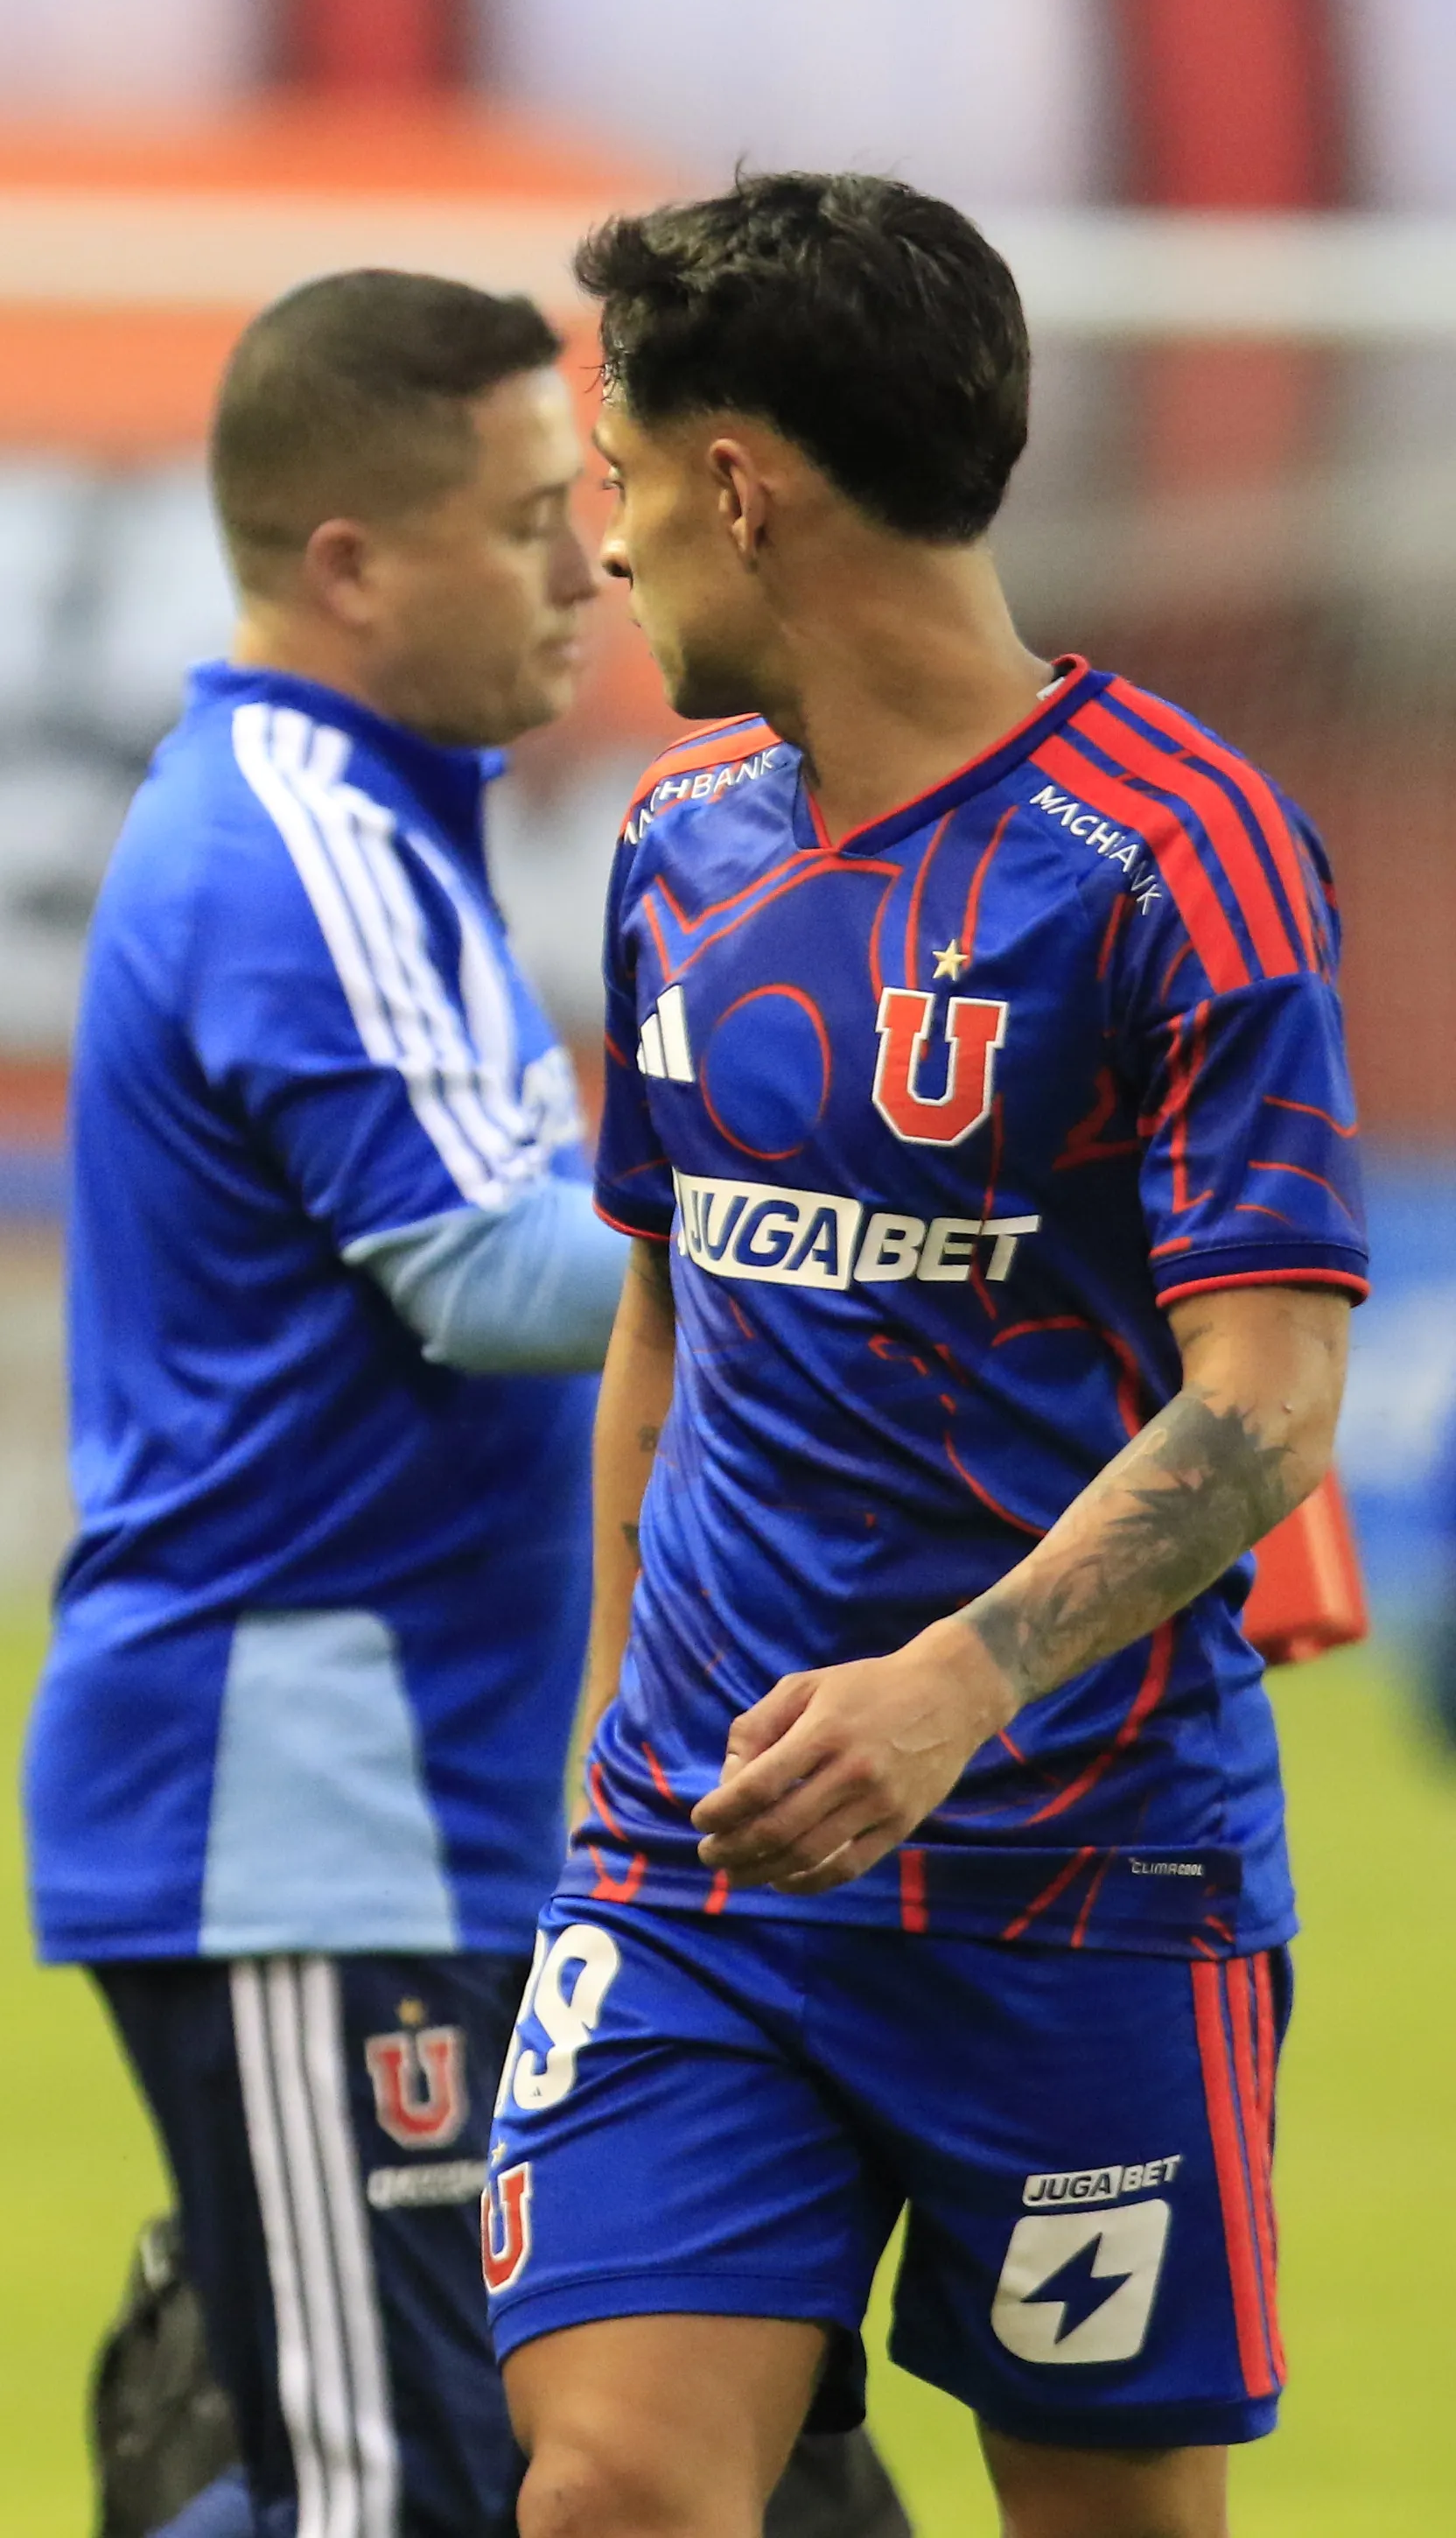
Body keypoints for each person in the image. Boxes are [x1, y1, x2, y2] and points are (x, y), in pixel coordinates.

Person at [492, 174, 1361, 2538]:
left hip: (1077, 1881)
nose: (603, 546)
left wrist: (957, 1684)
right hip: (705, 1872)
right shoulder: (677, 846)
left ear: (742, 483)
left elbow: (1270, 1404)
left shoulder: (1180, 856)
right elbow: (663, 1304)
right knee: (611, 2500)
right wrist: (605, 1762)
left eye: (620, 474)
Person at [24, 270, 617, 2538]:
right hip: (300, 1795)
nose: (589, 569)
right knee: (399, 2488)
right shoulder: (300, 834)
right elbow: (484, 1276)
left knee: (461, 2452)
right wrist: (851, 1246)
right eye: (531, 519)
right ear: (352, 562)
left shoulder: (381, 804)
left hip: (401, 1786)